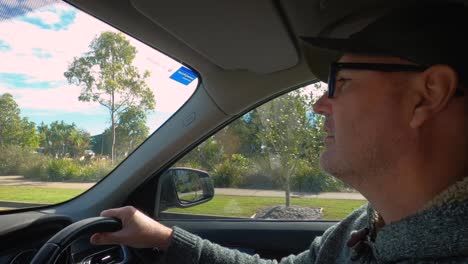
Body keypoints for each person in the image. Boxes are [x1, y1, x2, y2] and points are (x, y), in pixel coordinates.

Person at [90, 3, 468, 263]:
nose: (320, 104)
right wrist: (164, 239)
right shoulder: (367, 225)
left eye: (343, 82)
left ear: (427, 95)